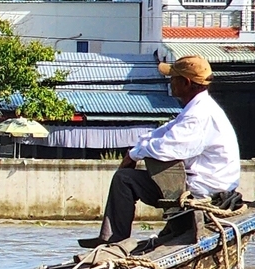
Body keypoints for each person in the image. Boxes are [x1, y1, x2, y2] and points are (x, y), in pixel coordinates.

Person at [79, 55, 242, 250]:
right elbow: (162, 132)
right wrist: (137, 149)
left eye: (173, 77)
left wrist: (134, 155)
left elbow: (166, 148)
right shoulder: (196, 109)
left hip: (205, 190)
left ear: (186, 82)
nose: (170, 81)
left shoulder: (200, 115)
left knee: (125, 179)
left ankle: (113, 241)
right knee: (127, 176)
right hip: (201, 183)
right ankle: (113, 239)